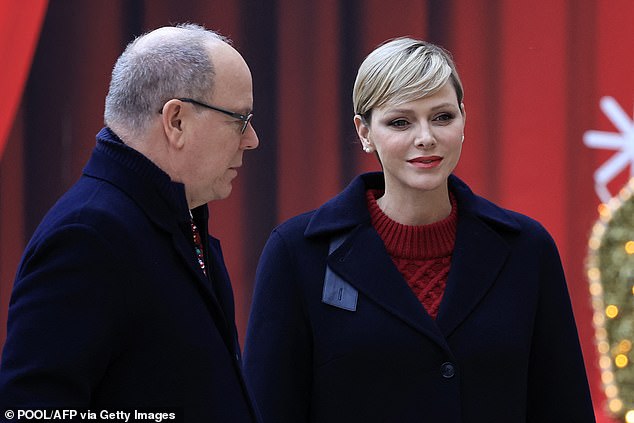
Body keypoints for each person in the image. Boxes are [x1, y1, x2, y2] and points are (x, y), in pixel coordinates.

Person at [243, 37, 595, 422]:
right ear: (364, 132)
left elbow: (564, 407)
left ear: (464, 119)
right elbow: (268, 411)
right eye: (400, 121)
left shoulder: (528, 249)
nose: (426, 136)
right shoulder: (297, 252)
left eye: (442, 116)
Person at [0, 23, 260, 422]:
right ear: (176, 120)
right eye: (239, 119)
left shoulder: (172, 218)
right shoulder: (89, 236)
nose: (251, 139)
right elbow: (32, 412)